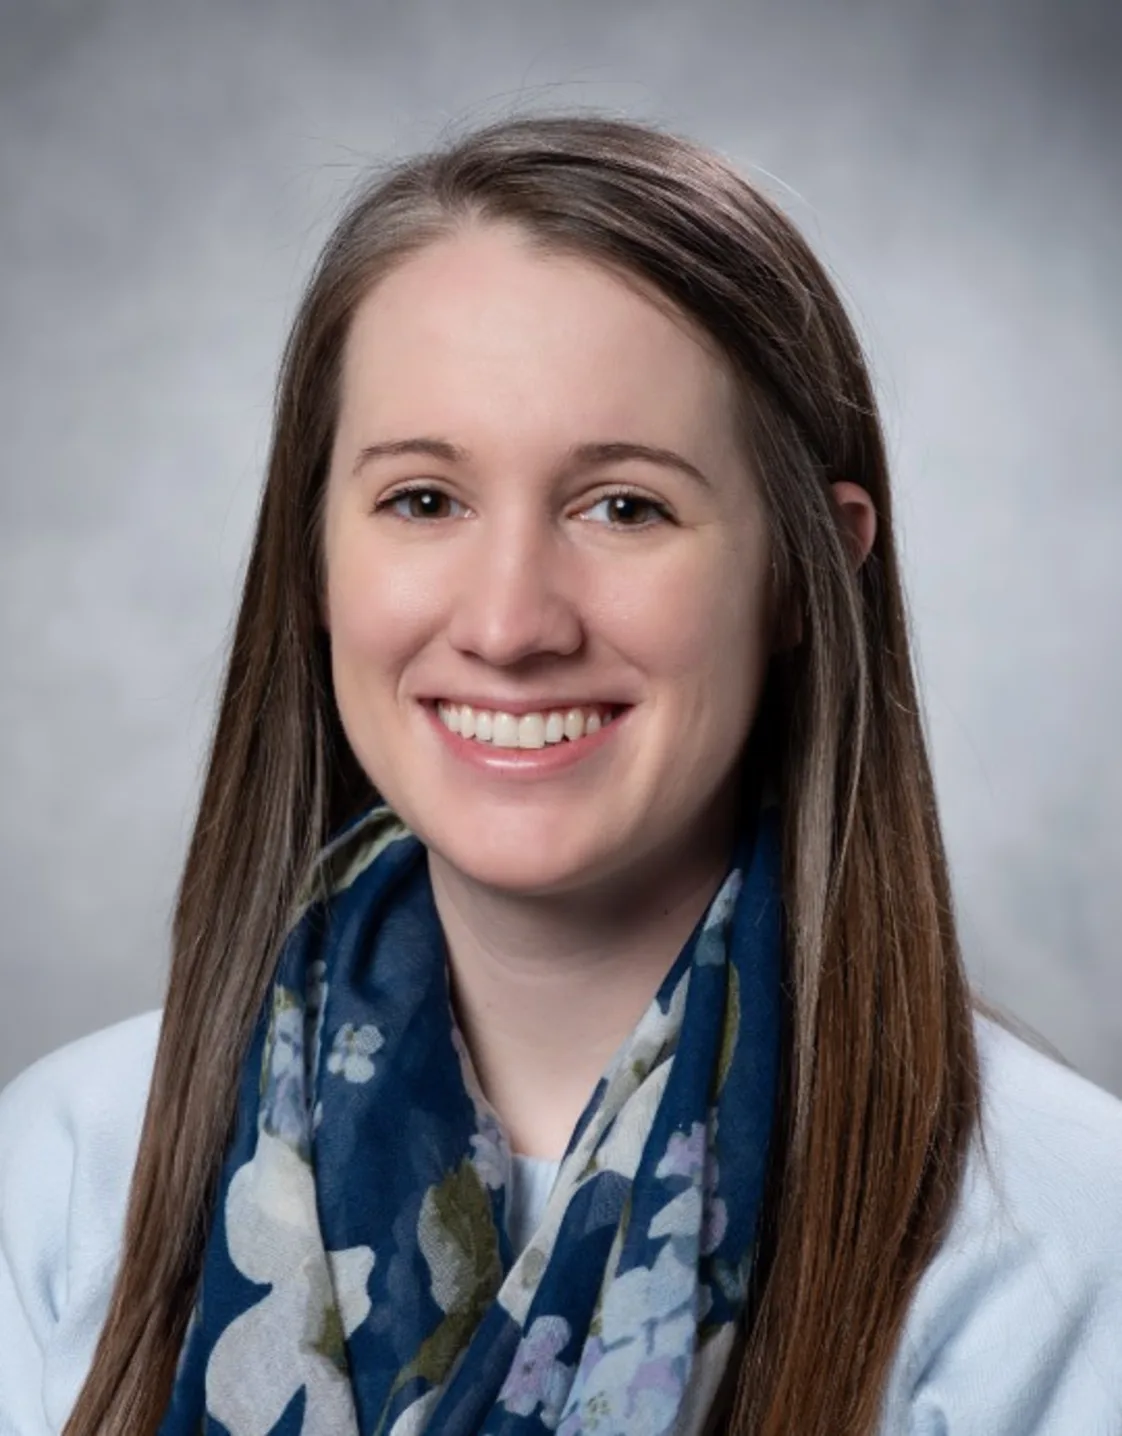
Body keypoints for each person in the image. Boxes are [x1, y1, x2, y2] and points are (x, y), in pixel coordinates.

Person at [1, 115, 1120, 1436]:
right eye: (423, 500)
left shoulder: (1059, 1242)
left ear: (803, 575)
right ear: (309, 558)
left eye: (622, 506)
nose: (510, 622)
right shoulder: (70, 1166)